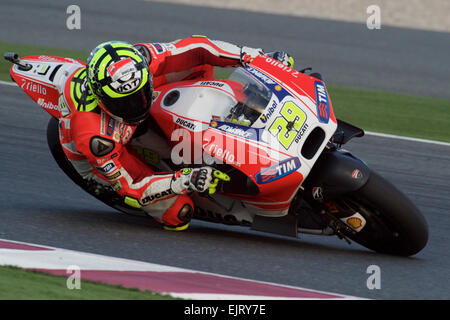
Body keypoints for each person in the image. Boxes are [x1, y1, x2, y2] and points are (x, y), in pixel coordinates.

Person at [58, 35, 293, 231]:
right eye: (125, 103)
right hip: (107, 161)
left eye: (139, 93)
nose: (136, 105)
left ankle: (199, 134)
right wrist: (184, 180)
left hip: (133, 113)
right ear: (103, 99)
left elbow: (200, 47)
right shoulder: (95, 137)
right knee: (179, 214)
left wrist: (255, 58)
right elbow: (133, 186)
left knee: (198, 65)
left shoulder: (142, 58)